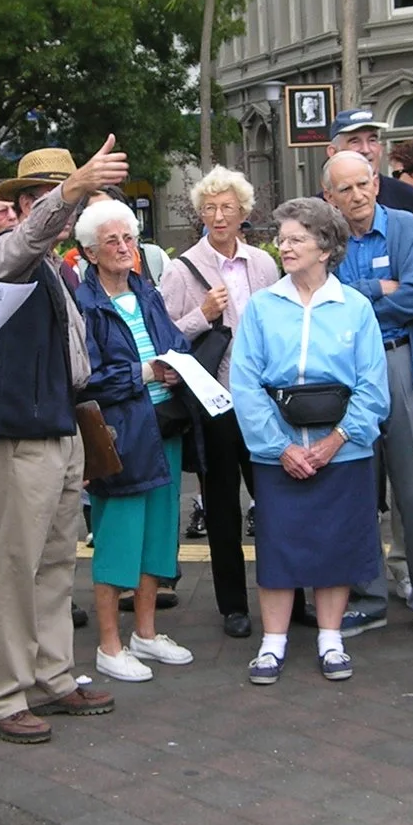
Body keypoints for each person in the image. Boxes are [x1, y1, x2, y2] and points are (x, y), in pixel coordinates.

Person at [0, 141, 131, 743]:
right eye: (64, 199)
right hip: (18, 435)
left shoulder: (55, 269)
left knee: (58, 560)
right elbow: (26, 240)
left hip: (58, 428)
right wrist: (72, 192)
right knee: (13, 566)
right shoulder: (8, 254)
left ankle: (52, 675)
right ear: (31, 206)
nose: (78, 210)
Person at [226, 197, 391, 684]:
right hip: (280, 452)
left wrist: (337, 440)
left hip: (344, 451)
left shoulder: (355, 308)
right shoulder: (261, 306)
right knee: (278, 545)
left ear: (326, 247)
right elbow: (245, 383)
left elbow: (372, 386)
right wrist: (281, 447)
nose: (285, 246)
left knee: (336, 544)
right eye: (283, 238)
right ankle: (272, 643)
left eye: (297, 238)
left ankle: (330, 637)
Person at [322, 150, 413, 640]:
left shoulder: (403, 227)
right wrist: (381, 287)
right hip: (345, 366)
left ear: (375, 184)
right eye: (345, 189)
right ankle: (368, 597)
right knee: (356, 485)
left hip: (399, 358)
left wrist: (357, 293)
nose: (357, 196)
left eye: (364, 184)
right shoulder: (327, 236)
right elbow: (325, 303)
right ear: (329, 196)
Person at [75, 197, 199, 683]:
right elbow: (86, 377)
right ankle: (109, 645)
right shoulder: (85, 305)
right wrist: (146, 370)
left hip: (162, 423)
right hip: (120, 433)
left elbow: (176, 341)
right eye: (113, 241)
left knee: (158, 535)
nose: (126, 248)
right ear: (89, 252)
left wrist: (178, 364)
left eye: (130, 238)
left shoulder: (146, 291)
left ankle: (145, 634)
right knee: (118, 538)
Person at [159, 166, 278, 638]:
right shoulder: (181, 267)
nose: (218, 215)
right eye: (209, 207)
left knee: (274, 503)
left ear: (244, 212)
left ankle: (287, 594)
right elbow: (165, 336)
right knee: (223, 506)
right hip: (214, 400)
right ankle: (233, 605)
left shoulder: (264, 264)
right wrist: (202, 314)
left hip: (264, 397)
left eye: (227, 207)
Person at [328, 105, 413, 253]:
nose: (366, 149)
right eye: (355, 141)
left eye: (372, 140)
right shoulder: (319, 209)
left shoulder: (407, 197)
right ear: (333, 152)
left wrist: (411, 275)